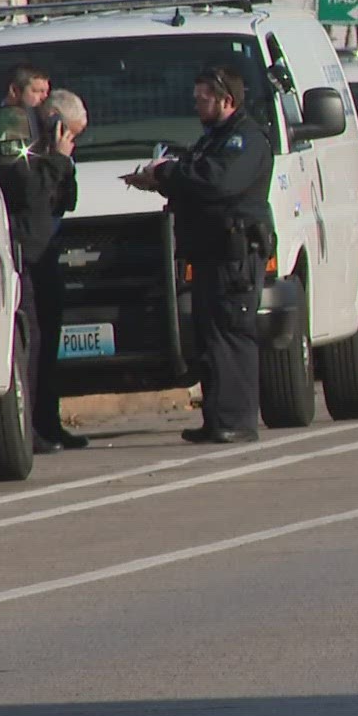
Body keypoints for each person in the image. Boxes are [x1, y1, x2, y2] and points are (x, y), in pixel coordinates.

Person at [125, 65, 275, 444]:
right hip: (210, 253)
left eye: (203, 98)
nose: (196, 104)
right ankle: (217, 418)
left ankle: (237, 421)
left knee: (232, 334)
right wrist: (158, 180)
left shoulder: (245, 139)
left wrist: (170, 173)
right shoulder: (213, 139)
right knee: (211, 338)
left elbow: (219, 182)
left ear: (227, 100)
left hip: (235, 255)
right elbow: (195, 178)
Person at [0, 82, 85, 453]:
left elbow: (67, 199)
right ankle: (28, 427)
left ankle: (49, 421)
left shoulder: (51, 151)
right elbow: (29, 192)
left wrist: (65, 160)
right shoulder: (16, 136)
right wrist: (57, 160)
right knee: (31, 346)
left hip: (47, 252)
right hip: (25, 255)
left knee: (49, 345)